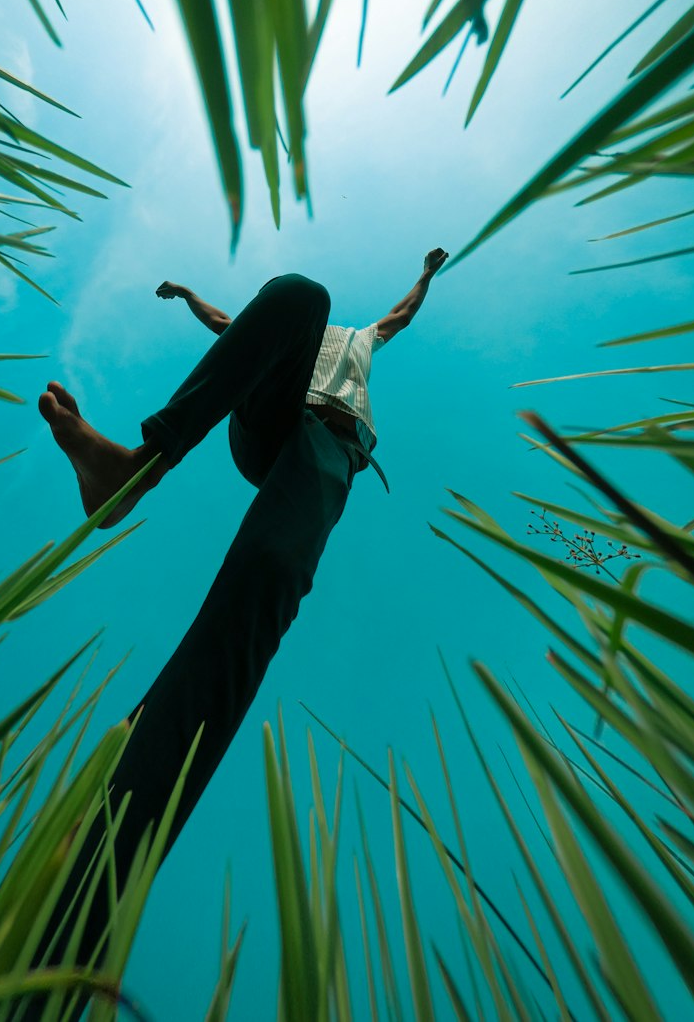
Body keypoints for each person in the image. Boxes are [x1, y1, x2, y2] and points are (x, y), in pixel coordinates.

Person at [29, 249, 448, 1008]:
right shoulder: (311, 327)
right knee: (297, 292)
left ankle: (124, 815)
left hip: (329, 442)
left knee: (269, 563)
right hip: (270, 410)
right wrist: (189, 291)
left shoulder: (359, 340)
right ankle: (137, 467)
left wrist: (426, 273)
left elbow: (402, 314)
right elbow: (230, 323)